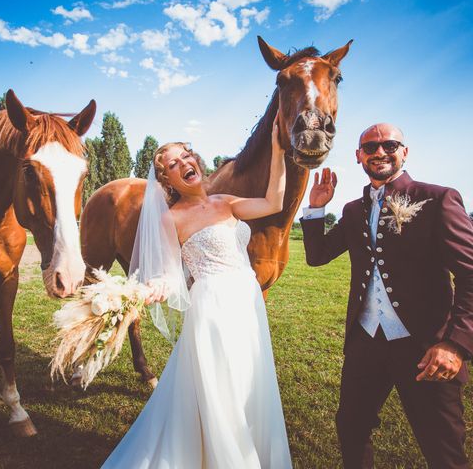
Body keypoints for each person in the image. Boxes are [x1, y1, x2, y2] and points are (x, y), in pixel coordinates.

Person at [101, 121, 292, 468]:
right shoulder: (170, 219)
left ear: (197, 161)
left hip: (247, 304)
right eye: (173, 164)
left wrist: (278, 150)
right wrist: (152, 288)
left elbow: (274, 200)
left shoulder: (227, 202)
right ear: (167, 181)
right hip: (212, 309)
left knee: (252, 380)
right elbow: (170, 274)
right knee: (223, 390)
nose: (183, 163)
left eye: (185, 155)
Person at [300, 123, 473, 468]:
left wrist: (455, 344)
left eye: (390, 144)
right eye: (370, 146)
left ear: (404, 152)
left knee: (443, 448)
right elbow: (317, 256)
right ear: (359, 156)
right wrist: (316, 207)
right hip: (366, 344)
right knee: (351, 427)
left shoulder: (437, 198)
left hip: (425, 349)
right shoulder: (352, 210)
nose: (380, 151)